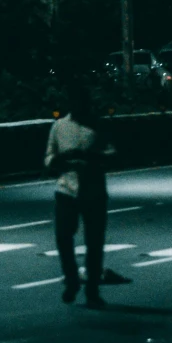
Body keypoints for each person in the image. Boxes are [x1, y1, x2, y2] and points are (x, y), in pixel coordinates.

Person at [45, 83, 115, 307]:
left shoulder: (97, 125)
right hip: (66, 188)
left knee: (94, 242)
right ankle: (72, 279)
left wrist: (89, 156)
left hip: (93, 189)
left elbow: (112, 152)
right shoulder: (59, 127)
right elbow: (49, 156)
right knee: (63, 238)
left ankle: (92, 290)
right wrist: (59, 160)